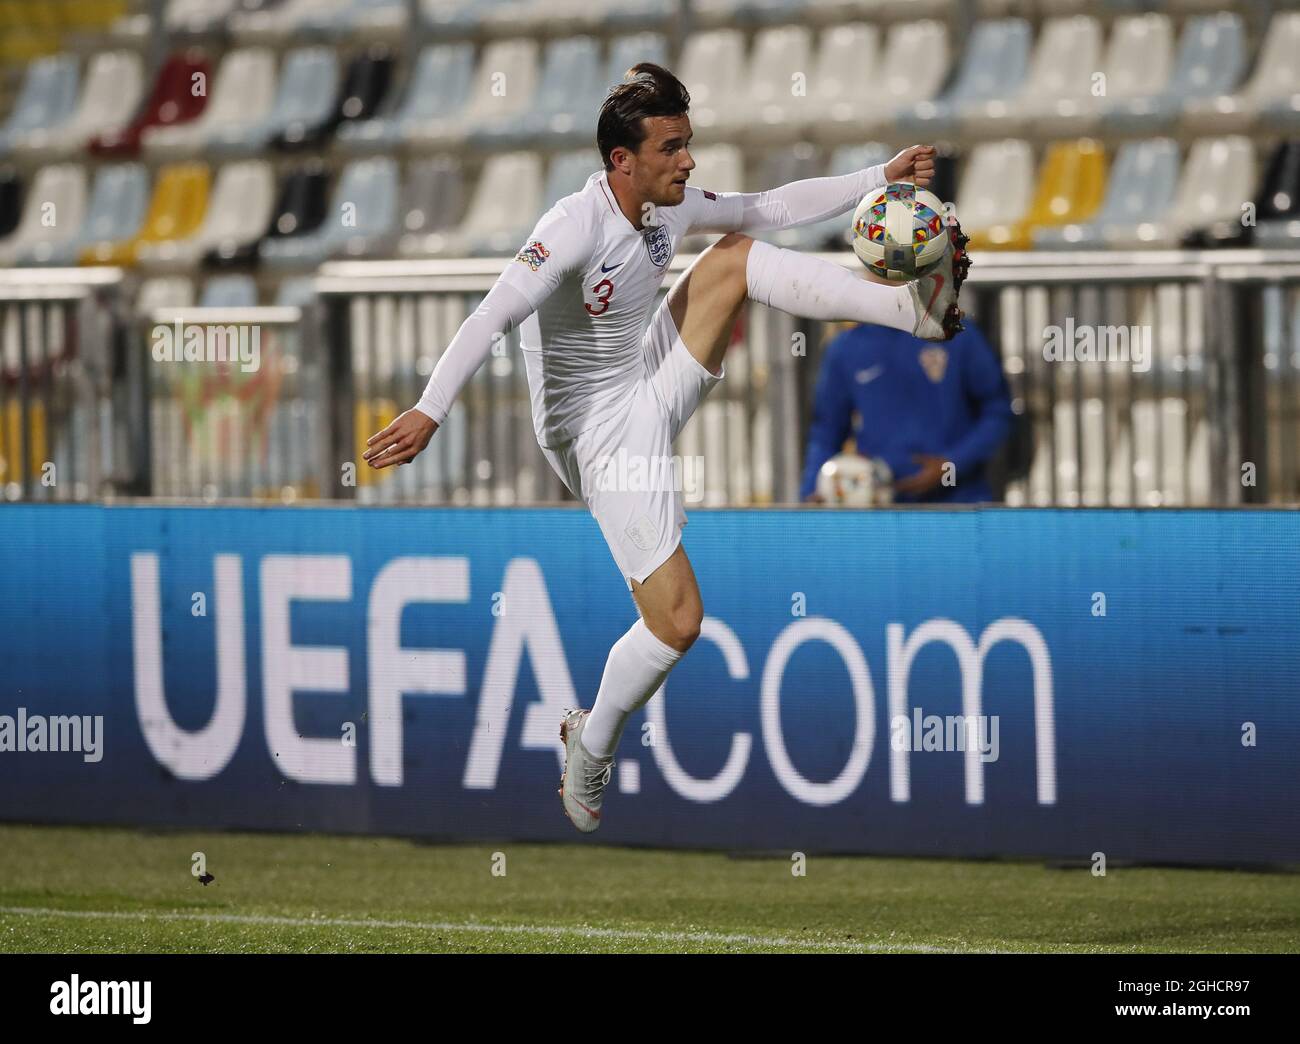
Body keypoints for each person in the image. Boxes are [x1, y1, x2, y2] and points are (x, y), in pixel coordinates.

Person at [362, 63, 971, 832]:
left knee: (736, 257)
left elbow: (769, 205)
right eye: (673, 147)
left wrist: (877, 176)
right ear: (623, 160)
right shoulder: (571, 225)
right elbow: (491, 316)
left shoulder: (666, 209)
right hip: (595, 432)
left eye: (690, 144)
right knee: (679, 622)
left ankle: (913, 314)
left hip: (647, 370)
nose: (688, 162)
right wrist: (428, 408)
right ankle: (592, 739)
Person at [801, 318, 1012, 504]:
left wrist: (952, 464)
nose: (889, 276)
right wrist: (813, 491)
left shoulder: (957, 334)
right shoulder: (846, 348)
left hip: (960, 504)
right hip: (881, 509)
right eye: (879, 270)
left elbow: (998, 411)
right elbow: (826, 432)